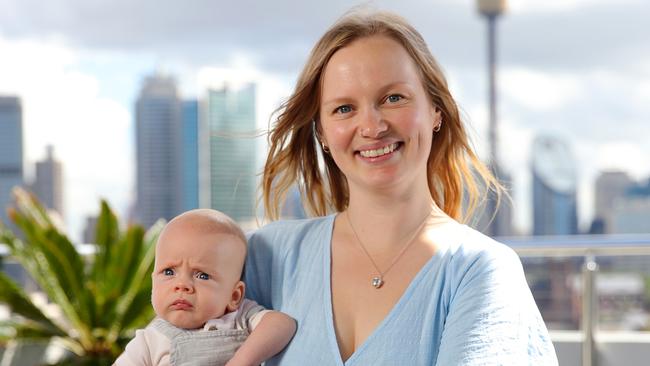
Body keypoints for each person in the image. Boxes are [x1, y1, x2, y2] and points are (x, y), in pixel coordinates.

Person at [245, 10, 558, 365]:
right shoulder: (268, 256)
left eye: (394, 98)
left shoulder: (481, 270)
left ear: (436, 110)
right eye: (345, 108)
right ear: (322, 134)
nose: (372, 126)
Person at [114, 209, 296, 366]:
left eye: (202, 275)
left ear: (234, 296)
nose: (182, 285)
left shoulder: (241, 317)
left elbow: (282, 324)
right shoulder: (149, 340)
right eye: (169, 272)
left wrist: (242, 361)